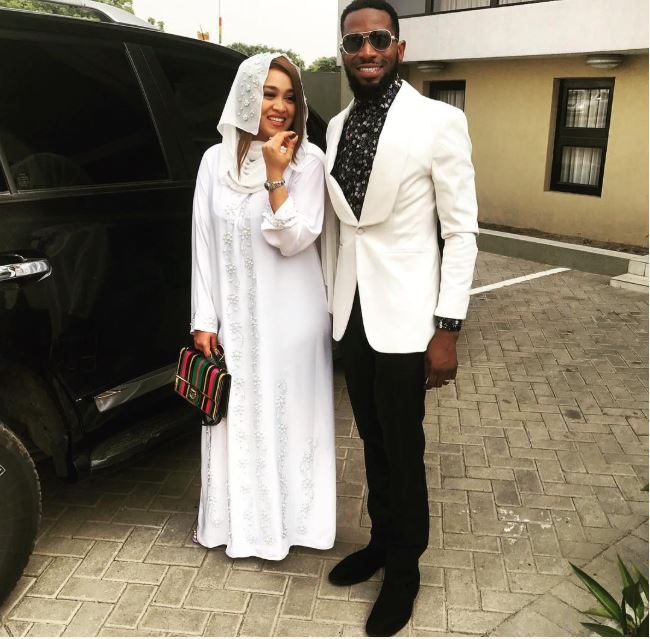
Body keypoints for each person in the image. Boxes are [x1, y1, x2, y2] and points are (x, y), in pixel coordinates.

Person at [324, 0, 479, 635]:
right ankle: (382, 542)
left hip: (409, 318)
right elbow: (342, 229)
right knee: (371, 438)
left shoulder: (439, 121)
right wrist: (330, 307)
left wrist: (448, 328)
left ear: (399, 48)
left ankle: (405, 570)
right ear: (342, 51)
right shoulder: (335, 127)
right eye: (354, 41)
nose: (367, 50)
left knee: (403, 445)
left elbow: (461, 231)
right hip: (352, 312)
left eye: (379, 39)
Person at [190, 53, 336, 560]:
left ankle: (295, 527)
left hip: (291, 321)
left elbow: (295, 239)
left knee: (287, 422)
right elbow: (202, 242)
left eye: (290, 97)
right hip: (235, 323)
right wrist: (203, 319)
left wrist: (277, 175)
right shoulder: (214, 161)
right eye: (269, 93)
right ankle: (238, 527)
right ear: (246, 96)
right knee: (236, 417)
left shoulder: (309, 162)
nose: (280, 106)